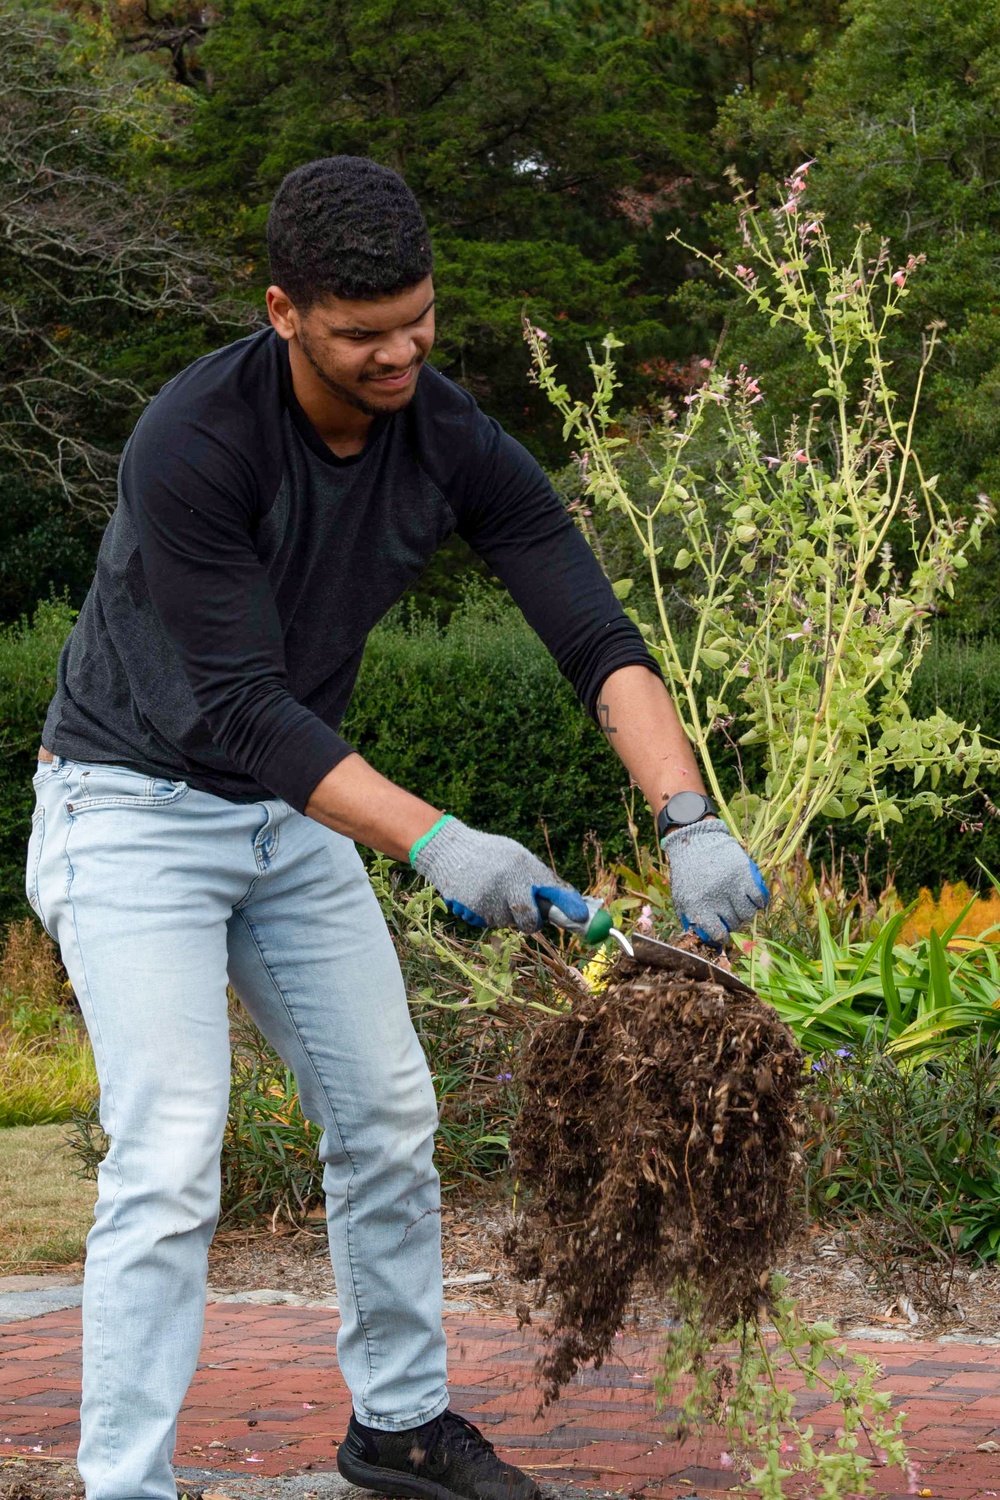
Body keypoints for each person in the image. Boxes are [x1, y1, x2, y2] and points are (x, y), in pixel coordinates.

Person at [26, 156, 768, 1500]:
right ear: (282, 312)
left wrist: (688, 817)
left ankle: (400, 1426)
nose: (398, 353)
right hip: (131, 811)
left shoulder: (447, 431)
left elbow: (590, 629)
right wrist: (439, 841)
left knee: (384, 1112)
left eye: (416, 322)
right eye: (363, 334)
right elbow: (247, 710)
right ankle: (124, 1483)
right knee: (174, 1147)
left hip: (286, 821)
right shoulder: (196, 441)